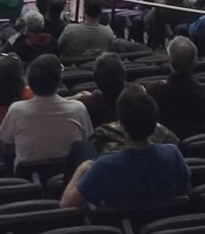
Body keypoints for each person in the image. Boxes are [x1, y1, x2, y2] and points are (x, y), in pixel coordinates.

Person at [61, 84, 189, 209]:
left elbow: (67, 204)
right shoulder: (173, 154)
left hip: (122, 227)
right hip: (163, 224)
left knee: (81, 147)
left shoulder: (104, 165)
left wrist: (80, 171)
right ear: (155, 123)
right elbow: (186, 191)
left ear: (121, 125)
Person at [0, 55, 91, 168]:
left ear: (29, 83)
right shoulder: (78, 108)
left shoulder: (16, 110)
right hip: (70, 174)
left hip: (27, 176)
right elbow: (86, 141)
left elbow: (8, 147)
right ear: (59, 81)